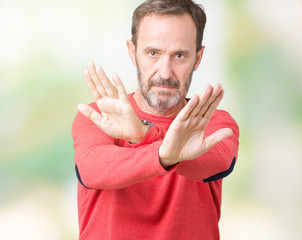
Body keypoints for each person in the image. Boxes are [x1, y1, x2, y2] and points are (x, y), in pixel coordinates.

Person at [71, 0, 239, 239]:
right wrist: (162, 149)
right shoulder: (100, 115)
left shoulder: (213, 122)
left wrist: (143, 135)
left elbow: (217, 165)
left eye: (179, 55)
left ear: (198, 58)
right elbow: (92, 170)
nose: (164, 72)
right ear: (133, 52)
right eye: (153, 53)